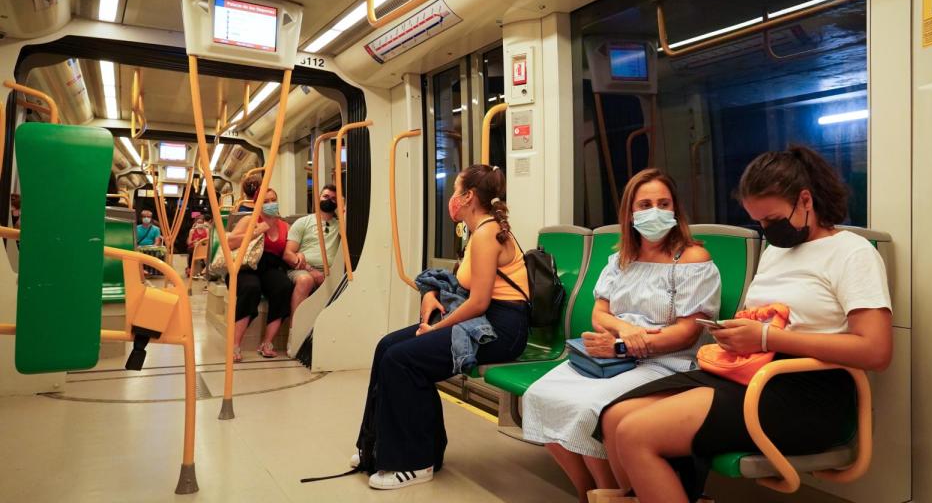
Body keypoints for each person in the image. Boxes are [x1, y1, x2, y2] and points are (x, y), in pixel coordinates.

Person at [598, 146, 892, 503]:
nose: (767, 231)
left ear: (805, 200)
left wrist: (767, 336)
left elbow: (875, 350)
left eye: (772, 220)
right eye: (759, 223)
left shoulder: (852, 253)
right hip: (751, 372)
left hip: (807, 389)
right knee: (615, 417)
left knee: (635, 433)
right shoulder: (777, 251)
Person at [521, 168, 721, 503]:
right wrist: (625, 332)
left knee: (588, 409)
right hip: (611, 357)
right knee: (538, 398)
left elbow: (687, 334)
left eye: (663, 203)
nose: (654, 211)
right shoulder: (621, 260)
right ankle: (589, 493)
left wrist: (622, 343)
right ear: (630, 213)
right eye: (644, 204)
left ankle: (615, 492)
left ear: (675, 210)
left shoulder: (692, 259)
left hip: (664, 362)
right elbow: (600, 313)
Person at [352, 165, 531, 490]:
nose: (450, 199)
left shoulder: (488, 234)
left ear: (468, 197)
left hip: (502, 329)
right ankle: (374, 444)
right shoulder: (477, 233)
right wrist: (430, 295)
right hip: (484, 318)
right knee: (386, 347)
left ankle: (418, 461)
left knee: (403, 361)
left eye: (454, 191)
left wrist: (436, 329)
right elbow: (457, 282)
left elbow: (477, 302)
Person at [226, 189, 293, 361]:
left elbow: (288, 251)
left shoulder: (285, 226)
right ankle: (234, 345)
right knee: (251, 288)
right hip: (246, 267)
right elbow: (230, 242)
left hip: (270, 268)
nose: (271, 204)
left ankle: (267, 342)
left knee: (284, 287)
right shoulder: (250, 220)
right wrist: (256, 231)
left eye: (273, 200)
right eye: (266, 201)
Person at [282, 184, 342, 316]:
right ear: (318, 198)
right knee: (305, 280)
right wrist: (310, 270)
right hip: (302, 269)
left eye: (333, 199)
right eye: (326, 196)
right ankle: (295, 329)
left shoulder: (340, 226)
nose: (329, 200)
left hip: (330, 271)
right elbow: (288, 254)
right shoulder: (303, 222)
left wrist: (343, 209)